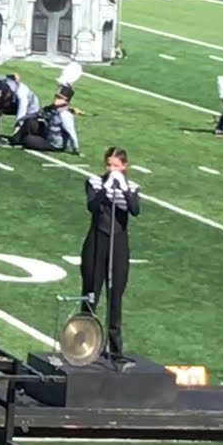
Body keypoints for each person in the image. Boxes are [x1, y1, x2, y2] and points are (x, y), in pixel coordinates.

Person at [81, 146, 140, 362]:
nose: (111, 169)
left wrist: (123, 189)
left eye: (116, 165)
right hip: (97, 240)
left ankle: (115, 350)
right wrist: (106, 189)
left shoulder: (132, 186)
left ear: (124, 166)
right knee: (91, 293)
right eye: (109, 165)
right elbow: (92, 206)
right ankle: (84, 343)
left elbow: (134, 210)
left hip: (119, 243)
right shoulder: (95, 182)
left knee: (115, 296)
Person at [11, 61, 83, 154]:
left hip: (55, 144)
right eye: (56, 96)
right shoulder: (53, 108)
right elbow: (40, 113)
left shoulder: (65, 115)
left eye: (60, 98)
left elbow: (71, 132)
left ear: (66, 101)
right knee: (30, 122)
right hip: (47, 134)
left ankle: (21, 140)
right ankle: (15, 139)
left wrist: (76, 149)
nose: (56, 99)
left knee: (28, 140)